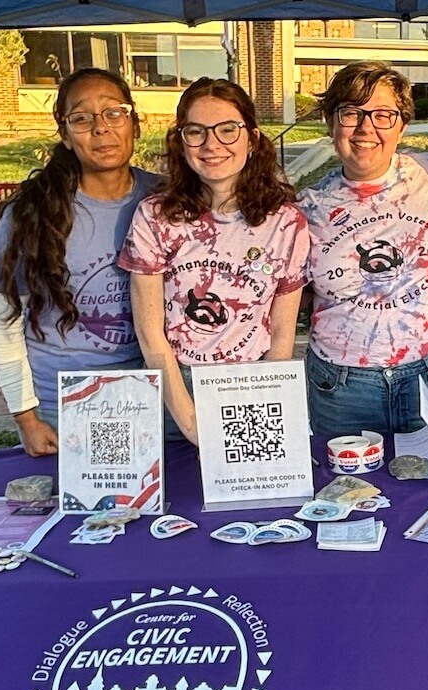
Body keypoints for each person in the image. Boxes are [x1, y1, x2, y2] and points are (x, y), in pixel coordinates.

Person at [0, 68, 160, 457]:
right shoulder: (33, 213)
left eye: (113, 113)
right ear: (66, 135)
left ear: (134, 124)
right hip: (65, 408)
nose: (100, 129)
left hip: (154, 400)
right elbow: (4, 323)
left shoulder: (166, 199)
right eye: (82, 118)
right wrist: (27, 419)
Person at [119, 78, 310, 446]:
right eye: (196, 131)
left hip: (252, 386)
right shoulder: (155, 217)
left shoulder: (286, 223)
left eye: (228, 130)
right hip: (176, 386)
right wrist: (189, 420)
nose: (212, 145)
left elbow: (283, 336)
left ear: (252, 139)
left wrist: (265, 403)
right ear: (181, 141)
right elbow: (150, 332)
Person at [298, 61, 428, 435]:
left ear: (402, 124)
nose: (366, 128)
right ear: (330, 123)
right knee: (345, 491)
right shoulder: (307, 209)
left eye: (383, 115)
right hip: (343, 388)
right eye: (350, 114)